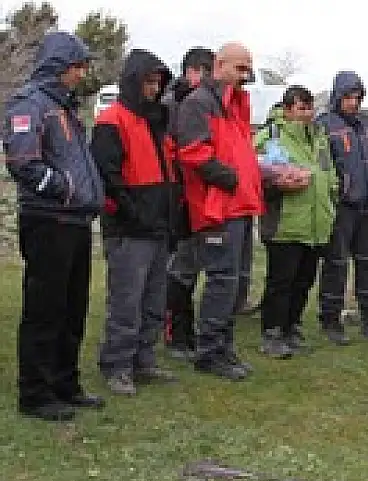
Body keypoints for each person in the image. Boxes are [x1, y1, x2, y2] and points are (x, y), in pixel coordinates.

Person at [3, 31, 105, 420]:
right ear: (61, 66)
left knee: (73, 307)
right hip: (48, 220)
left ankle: (66, 383)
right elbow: (23, 161)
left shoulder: (66, 108)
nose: (81, 74)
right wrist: (64, 189)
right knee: (45, 309)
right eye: (77, 66)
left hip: (75, 220)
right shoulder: (30, 104)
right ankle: (35, 393)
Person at [90, 48, 178, 396]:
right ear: (133, 81)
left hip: (157, 225)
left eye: (158, 83)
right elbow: (107, 175)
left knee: (154, 301)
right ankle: (117, 365)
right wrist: (130, 213)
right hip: (129, 228)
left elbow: (168, 171)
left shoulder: (156, 120)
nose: (154, 89)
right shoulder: (112, 120)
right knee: (126, 301)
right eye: (148, 82)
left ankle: (143, 360)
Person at [176, 42, 263, 380]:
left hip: (238, 205)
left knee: (230, 282)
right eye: (240, 68)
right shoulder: (199, 103)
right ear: (219, 64)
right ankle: (210, 351)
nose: (245, 76)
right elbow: (193, 152)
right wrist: (231, 179)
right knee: (221, 280)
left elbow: (238, 151)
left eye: (247, 69)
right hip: (216, 208)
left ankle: (222, 348)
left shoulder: (234, 104)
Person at [255, 86, 337, 358]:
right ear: (288, 109)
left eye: (310, 108)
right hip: (284, 223)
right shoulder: (271, 136)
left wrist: (332, 196)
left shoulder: (320, 138)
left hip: (315, 223)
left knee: (304, 281)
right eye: (301, 108)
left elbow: (328, 173)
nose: (307, 114)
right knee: (281, 281)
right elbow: (255, 173)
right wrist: (281, 182)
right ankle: (272, 333)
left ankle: (292, 326)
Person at [315, 71, 368, 345]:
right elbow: (323, 165)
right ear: (337, 96)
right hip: (341, 208)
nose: (353, 102)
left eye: (357, 97)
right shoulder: (325, 125)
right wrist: (338, 191)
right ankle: (330, 320)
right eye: (348, 97)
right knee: (336, 265)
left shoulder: (366, 126)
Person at [164, 46, 215, 360]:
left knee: (193, 265)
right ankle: (176, 333)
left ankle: (187, 330)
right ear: (193, 72)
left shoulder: (207, 105)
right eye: (207, 72)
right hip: (179, 198)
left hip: (201, 197)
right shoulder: (173, 106)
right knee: (180, 267)